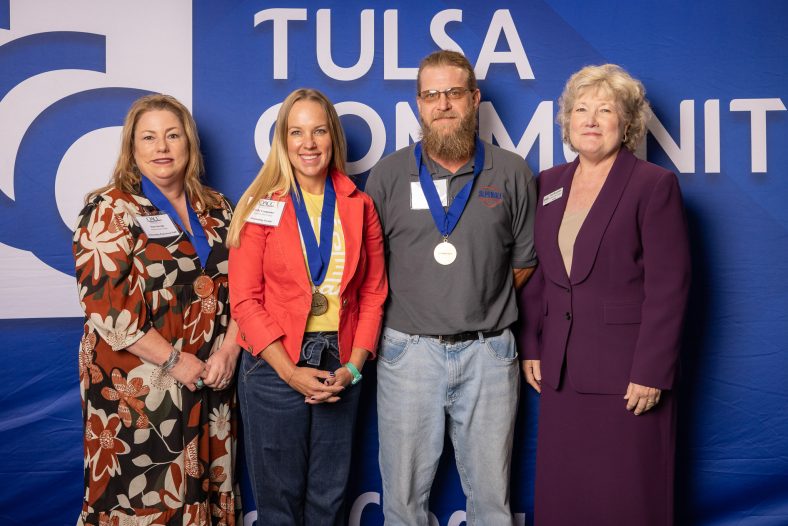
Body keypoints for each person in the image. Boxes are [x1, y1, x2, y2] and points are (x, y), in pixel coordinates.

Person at [365, 50, 537, 526]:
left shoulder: (512, 172)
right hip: (407, 354)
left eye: (454, 93)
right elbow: (372, 270)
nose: (443, 104)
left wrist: (476, 296)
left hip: (489, 353)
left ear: (474, 99)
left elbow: (524, 262)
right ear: (418, 104)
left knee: (492, 504)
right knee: (401, 505)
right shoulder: (388, 175)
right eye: (431, 95)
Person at [520, 64, 691, 525]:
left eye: (605, 110)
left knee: (628, 498)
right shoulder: (548, 184)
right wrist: (532, 345)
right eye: (581, 109)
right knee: (566, 499)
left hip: (627, 376)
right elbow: (539, 274)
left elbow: (668, 288)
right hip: (562, 372)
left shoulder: (653, 185)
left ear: (628, 123)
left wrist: (652, 371)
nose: (590, 119)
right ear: (568, 122)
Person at [73, 94, 241, 525]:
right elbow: (106, 308)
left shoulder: (218, 208)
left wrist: (229, 352)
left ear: (189, 143)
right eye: (148, 138)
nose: (161, 147)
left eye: (172, 135)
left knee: (206, 487)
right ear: (132, 148)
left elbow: (247, 290)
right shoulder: (110, 209)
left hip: (212, 381)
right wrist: (173, 360)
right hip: (138, 392)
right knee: (142, 497)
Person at [227, 88, 387, 525]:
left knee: (328, 500)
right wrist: (288, 370)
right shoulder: (260, 206)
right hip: (275, 361)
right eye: (296, 132)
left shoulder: (360, 205)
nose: (308, 143)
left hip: (340, 360)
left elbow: (373, 293)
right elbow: (244, 299)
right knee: (279, 505)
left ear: (333, 136)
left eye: (318, 130)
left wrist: (353, 368)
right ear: (283, 140)